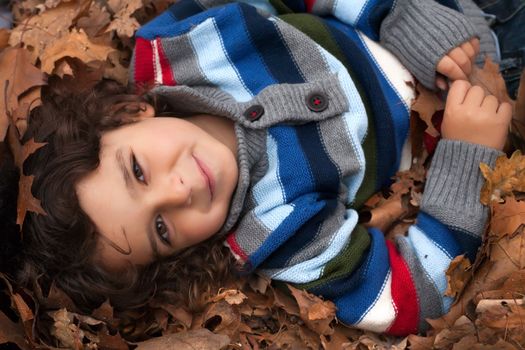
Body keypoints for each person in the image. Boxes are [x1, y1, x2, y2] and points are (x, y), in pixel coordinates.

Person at [8, 0, 512, 336]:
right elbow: (412, 294)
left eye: (139, 171)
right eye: (161, 228)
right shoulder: (283, 233)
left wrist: (397, 17)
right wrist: (468, 156)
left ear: (127, 114)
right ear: (179, 255)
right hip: (482, 87)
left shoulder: (189, 45)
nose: (179, 188)